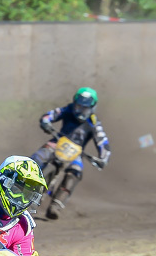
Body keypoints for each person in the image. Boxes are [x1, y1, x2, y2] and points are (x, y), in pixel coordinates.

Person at [30, 87, 111, 219]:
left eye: (84, 108)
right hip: (58, 141)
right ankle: (20, 185)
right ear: (74, 104)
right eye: (78, 106)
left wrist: (103, 158)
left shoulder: (94, 123)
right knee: (38, 158)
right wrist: (45, 122)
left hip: (76, 153)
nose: (80, 111)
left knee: (75, 173)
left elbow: (103, 143)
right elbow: (50, 115)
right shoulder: (67, 109)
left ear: (92, 108)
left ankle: (56, 205)